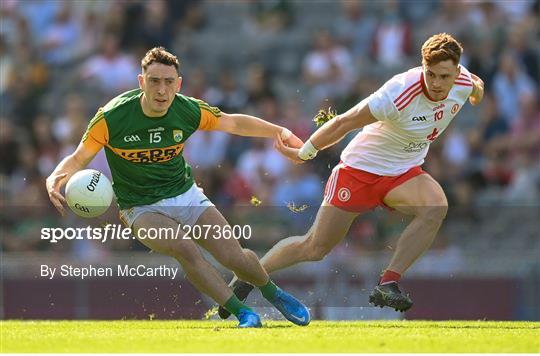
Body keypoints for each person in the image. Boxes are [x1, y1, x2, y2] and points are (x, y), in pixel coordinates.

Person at [219, 33, 485, 318]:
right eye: (430, 74)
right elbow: (344, 122)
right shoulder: (398, 93)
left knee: (436, 207)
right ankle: (249, 275)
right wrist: (305, 152)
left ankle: (388, 282)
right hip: (359, 171)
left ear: (457, 72)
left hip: (402, 173)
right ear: (422, 67)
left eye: (444, 77)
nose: (435, 83)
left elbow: (476, 87)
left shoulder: (463, 82)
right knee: (315, 247)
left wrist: (476, 94)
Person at [45, 47, 311, 328]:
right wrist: (55, 177)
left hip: (185, 195)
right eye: (154, 81)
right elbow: (78, 158)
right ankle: (243, 312)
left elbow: (233, 122)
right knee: (185, 248)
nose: (162, 90)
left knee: (233, 256)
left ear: (179, 84)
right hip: (139, 207)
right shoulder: (112, 117)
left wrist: (279, 131)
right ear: (141, 82)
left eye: (169, 82)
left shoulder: (187, 109)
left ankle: (274, 292)